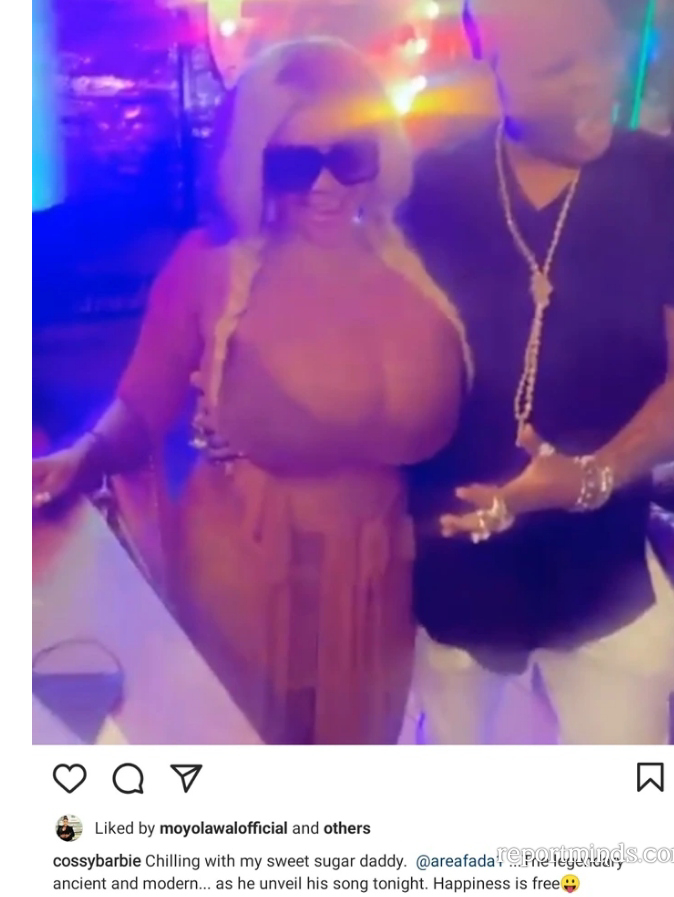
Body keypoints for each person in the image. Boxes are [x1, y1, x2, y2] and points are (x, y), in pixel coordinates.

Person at [32, 37, 468, 745]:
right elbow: (141, 408)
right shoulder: (210, 266)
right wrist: (83, 456)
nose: (324, 188)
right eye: (293, 163)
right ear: (252, 161)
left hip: (377, 576)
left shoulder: (411, 264)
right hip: (249, 570)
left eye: (349, 157)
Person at [402, 0, 674, 744]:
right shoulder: (429, 190)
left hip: (605, 584)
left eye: (600, 47)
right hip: (454, 586)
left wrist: (592, 475)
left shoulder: (670, 181)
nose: (594, 80)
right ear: (489, 64)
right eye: (557, 66)